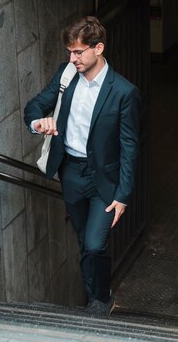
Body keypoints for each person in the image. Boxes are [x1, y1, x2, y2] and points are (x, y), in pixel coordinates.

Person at [23, 16, 140, 317]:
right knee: (82, 241)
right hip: (71, 172)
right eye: (69, 52)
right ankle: (94, 299)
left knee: (93, 244)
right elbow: (35, 105)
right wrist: (39, 123)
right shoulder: (66, 77)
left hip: (104, 180)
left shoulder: (123, 92)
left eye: (78, 52)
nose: (71, 58)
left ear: (98, 48)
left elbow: (129, 146)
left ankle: (101, 300)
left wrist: (124, 194)